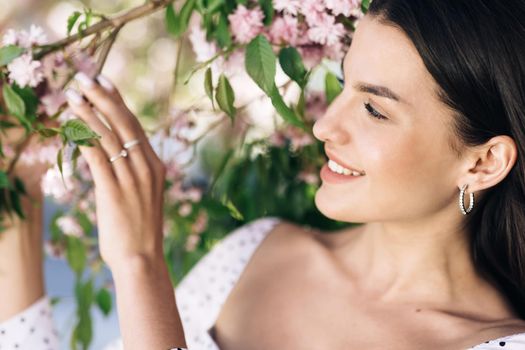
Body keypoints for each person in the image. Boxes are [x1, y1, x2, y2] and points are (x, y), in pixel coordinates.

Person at [2, 0, 525, 348]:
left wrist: (140, 268)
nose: (324, 125)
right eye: (343, 85)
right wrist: (19, 188)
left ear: (482, 162)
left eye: (374, 110)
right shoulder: (261, 250)